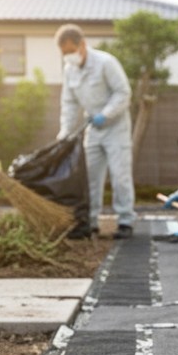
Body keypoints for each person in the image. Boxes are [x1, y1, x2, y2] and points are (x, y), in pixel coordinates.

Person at [55, 24, 136, 239]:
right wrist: (65, 131)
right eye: (64, 53)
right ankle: (90, 222)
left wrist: (106, 114)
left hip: (115, 128)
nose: (68, 56)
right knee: (90, 177)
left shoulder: (106, 63)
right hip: (92, 129)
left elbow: (123, 92)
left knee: (120, 176)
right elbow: (69, 103)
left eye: (71, 51)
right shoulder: (69, 70)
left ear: (82, 45)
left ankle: (125, 221)